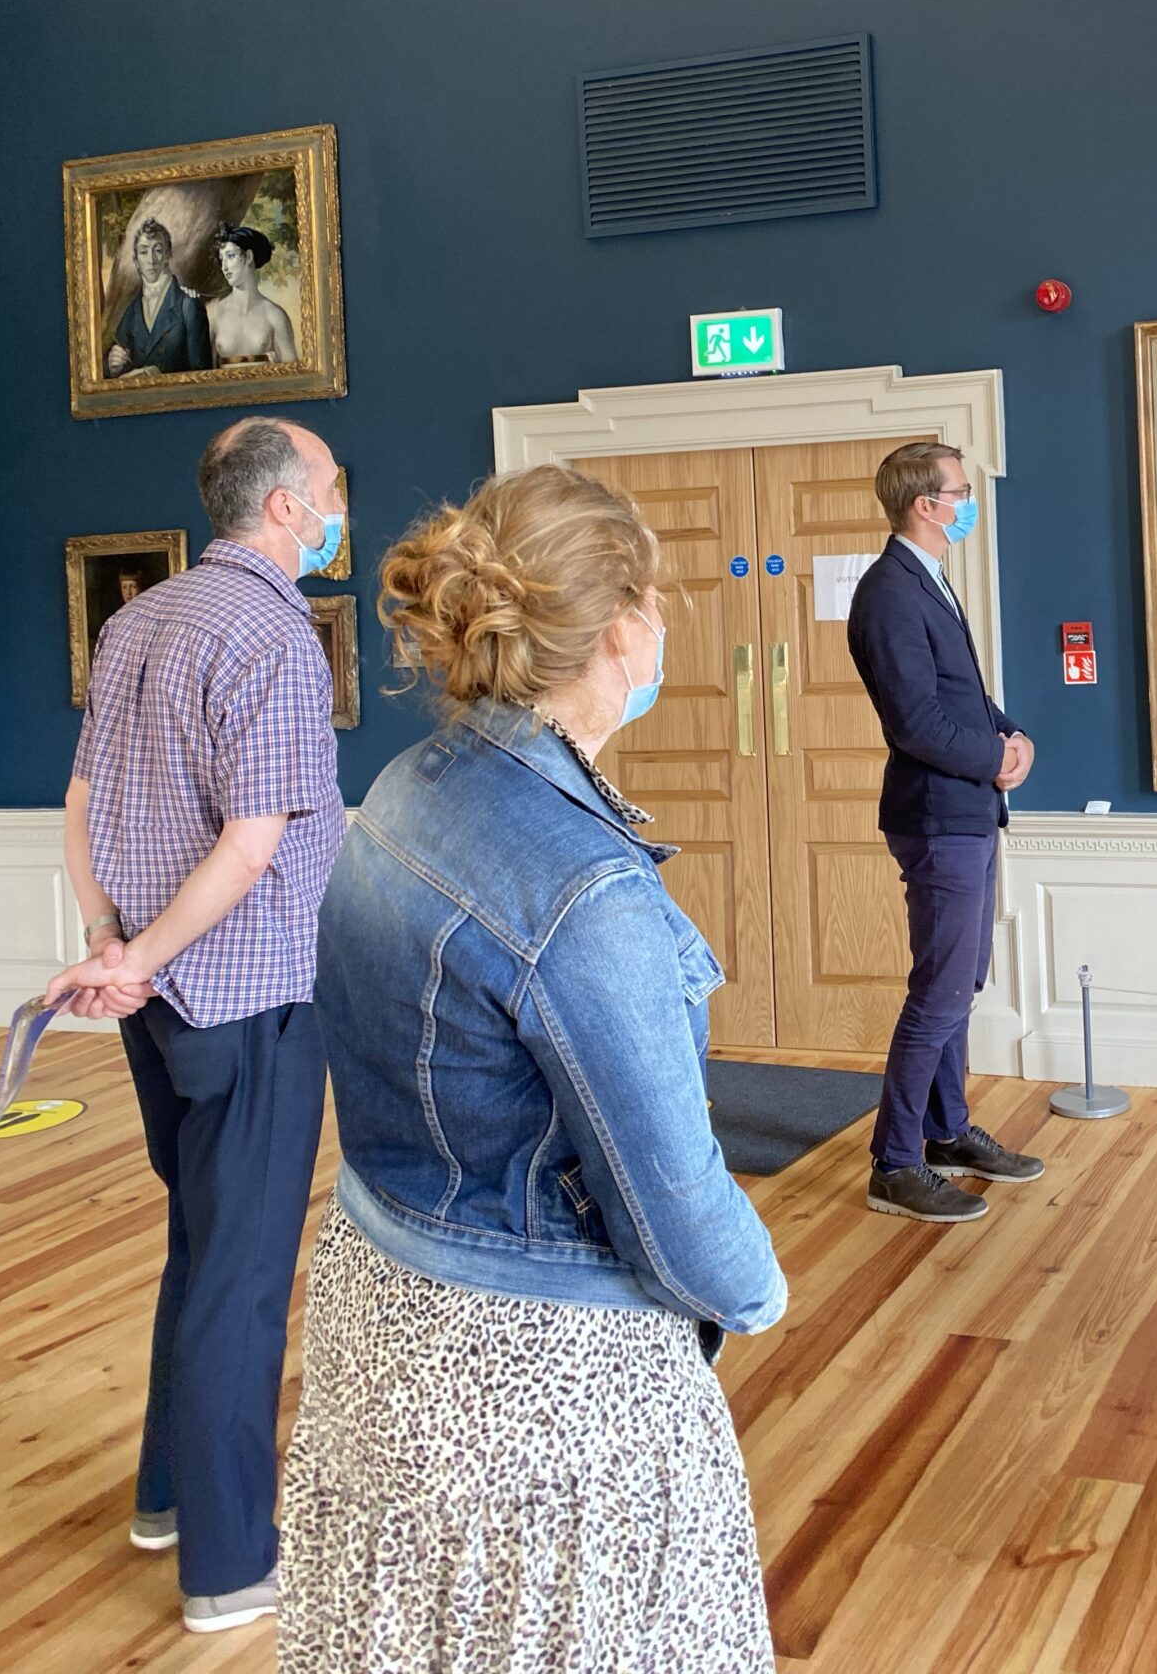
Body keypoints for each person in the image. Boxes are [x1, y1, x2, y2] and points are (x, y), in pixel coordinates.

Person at [279, 465, 784, 1671]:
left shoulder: (408, 787)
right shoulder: (580, 882)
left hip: (381, 1313)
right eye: (656, 608)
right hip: (539, 1380)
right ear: (622, 632)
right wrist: (757, 1289)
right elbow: (670, 1199)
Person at [45, 414, 349, 1635]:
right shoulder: (272, 630)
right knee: (243, 1273)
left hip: (160, 1005)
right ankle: (227, 1565)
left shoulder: (137, 619)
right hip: (252, 998)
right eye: (328, 486)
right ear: (281, 507)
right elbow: (253, 839)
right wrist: (147, 951)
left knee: (200, 1243)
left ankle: (167, 1496)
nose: (337, 504)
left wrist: (113, 949)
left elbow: (76, 800)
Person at [844, 441, 1044, 1224]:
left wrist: (1014, 737)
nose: (967, 503)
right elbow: (916, 722)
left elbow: (964, 699)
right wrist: (995, 756)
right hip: (936, 817)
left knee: (960, 985)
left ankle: (947, 1132)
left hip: (968, 812)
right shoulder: (889, 592)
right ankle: (894, 1162)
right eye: (960, 492)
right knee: (937, 993)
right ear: (927, 504)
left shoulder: (930, 581)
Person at [105, 218, 215, 377]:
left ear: (168, 254)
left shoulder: (188, 305)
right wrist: (113, 364)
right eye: (144, 252)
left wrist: (155, 374)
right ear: (136, 260)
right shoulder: (131, 312)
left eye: (157, 250)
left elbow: (203, 376)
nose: (151, 260)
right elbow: (116, 364)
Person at [207, 224, 299, 364]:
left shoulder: (274, 315)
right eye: (221, 258)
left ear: (248, 256)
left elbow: (294, 373)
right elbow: (203, 372)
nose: (224, 266)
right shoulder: (214, 313)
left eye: (230, 256)